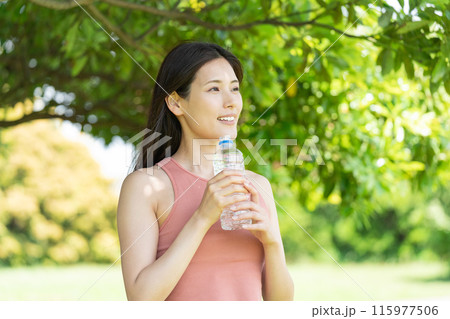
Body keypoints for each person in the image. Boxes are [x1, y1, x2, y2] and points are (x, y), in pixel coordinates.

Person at [117, 41, 294, 301]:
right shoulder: (146, 186)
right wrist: (202, 217)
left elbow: (280, 305)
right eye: (214, 89)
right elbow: (140, 299)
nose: (231, 101)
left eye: (235, 89)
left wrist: (272, 243)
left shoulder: (257, 186)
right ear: (176, 103)